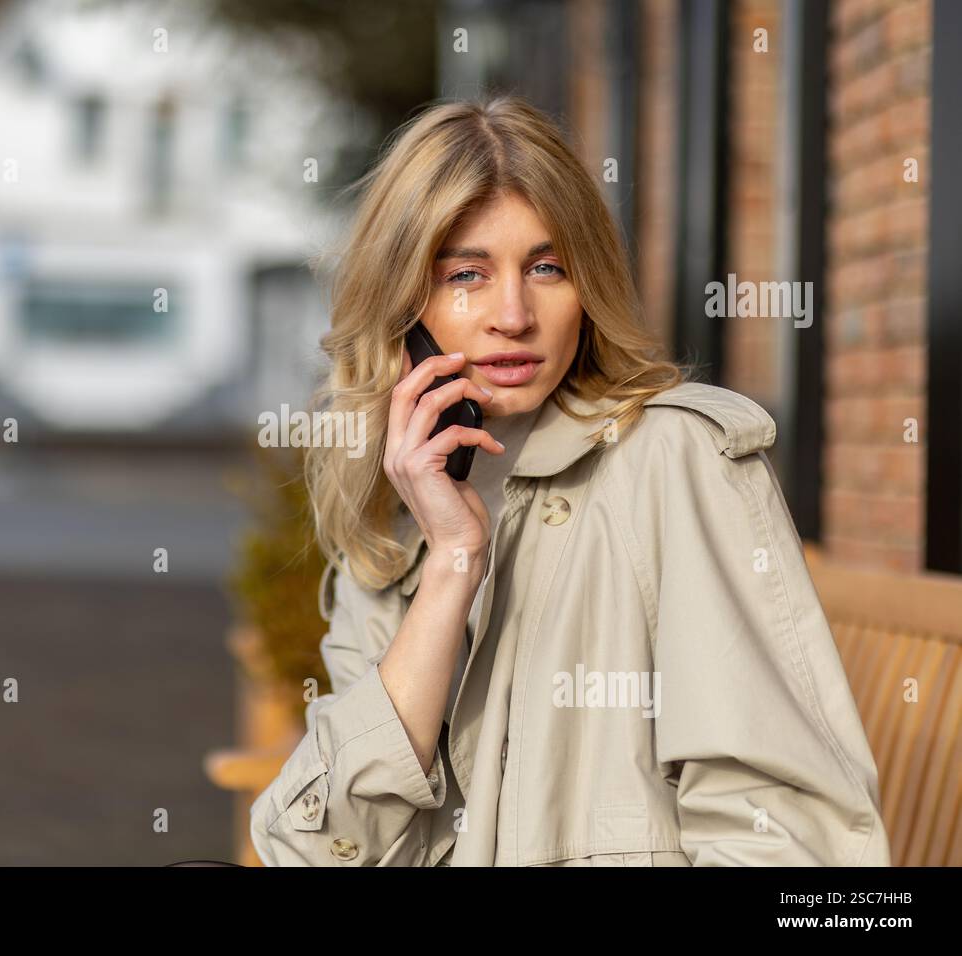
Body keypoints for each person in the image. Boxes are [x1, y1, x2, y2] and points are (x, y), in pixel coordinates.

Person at [248, 95, 892, 867]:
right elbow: (319, 851)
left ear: (588, 289)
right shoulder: (401, 503)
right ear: (403, 302)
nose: (513, 314)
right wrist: (453, 564)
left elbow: (788, 841)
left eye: (547, 268)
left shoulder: (675, 461)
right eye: (467, 274)